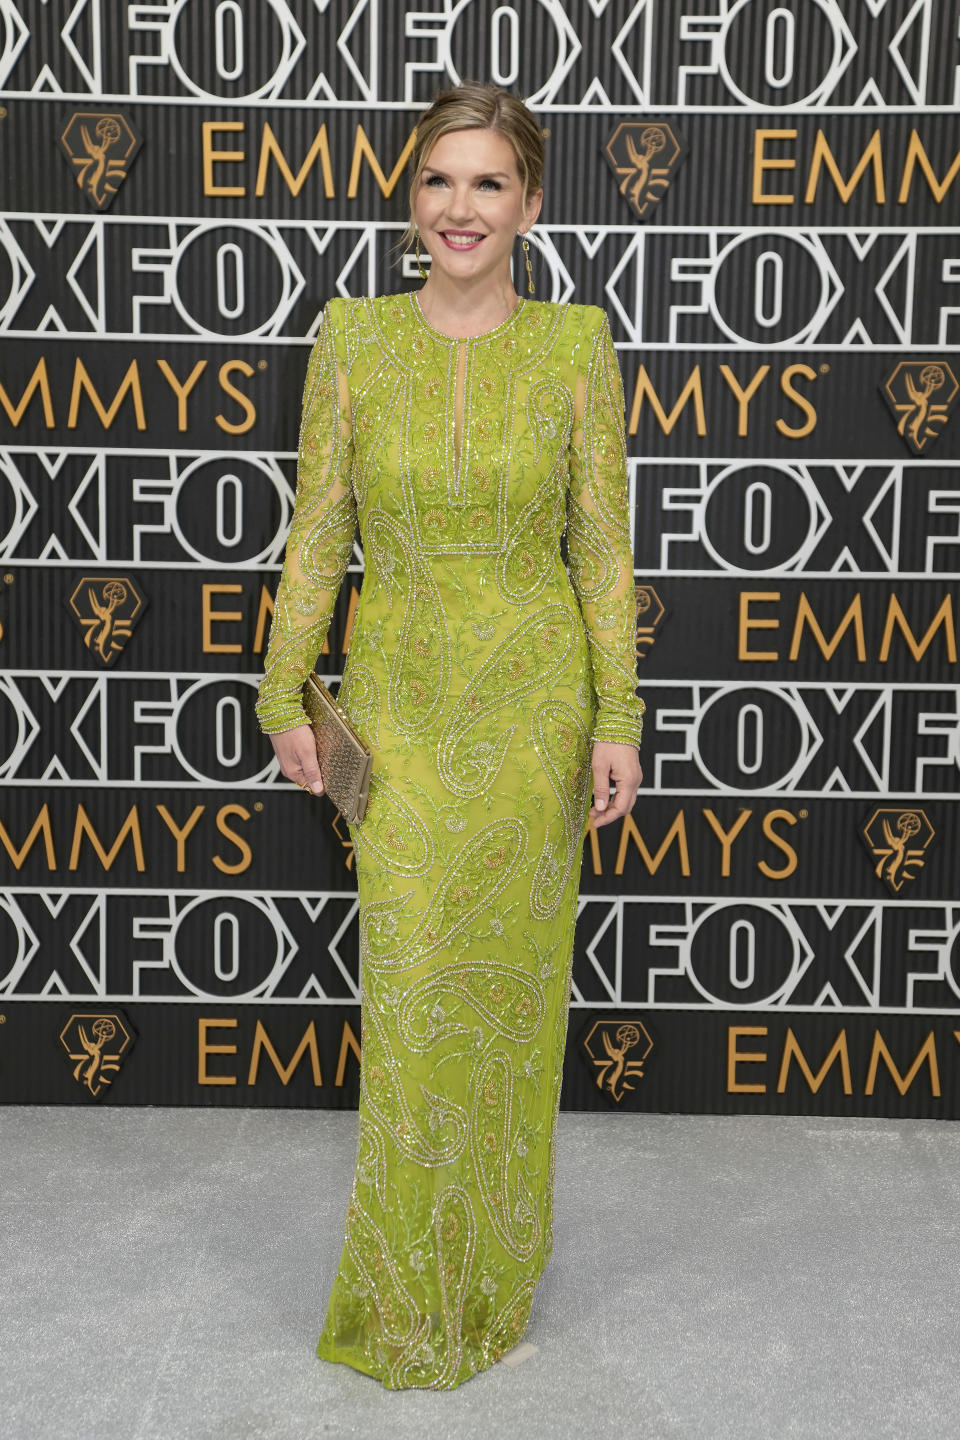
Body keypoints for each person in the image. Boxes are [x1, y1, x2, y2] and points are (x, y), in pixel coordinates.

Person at [254, 79, 645, 1391]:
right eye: (438, 180)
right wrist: (280, 695)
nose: (460, 207)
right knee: (416, 1002)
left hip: (534, 715)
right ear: (409, 197)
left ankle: (494, 1273)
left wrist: (619, 720)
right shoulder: (351, 338)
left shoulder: (577, 343)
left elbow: (598, 548)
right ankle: (404, 1289)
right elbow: (318, 533)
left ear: (529, 202)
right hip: (406, 708)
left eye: (488, 182)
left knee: (514, 1011)